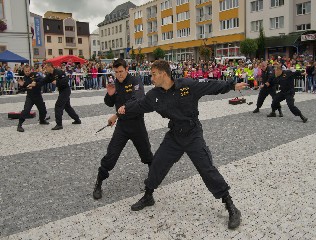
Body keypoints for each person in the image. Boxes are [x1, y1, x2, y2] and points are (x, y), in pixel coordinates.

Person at [118, 60, 247, 229]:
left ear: (164, 74)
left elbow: (210, 85)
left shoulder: (187, 85)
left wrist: (231, 85)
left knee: (206, 168)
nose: (151, 78)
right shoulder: (154, 95)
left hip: (192, 133)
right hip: (174, 135)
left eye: (153, 74)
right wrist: (123, 110)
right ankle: (148, 195)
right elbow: (140, 104)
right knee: (158, 163)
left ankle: (230, 206)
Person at [93, 59, 153, 200]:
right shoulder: (116, 83)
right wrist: (110, 94)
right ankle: (98, 182)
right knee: (110, 156)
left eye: (121, 71)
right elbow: (109, 103)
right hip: (122, 126)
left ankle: (154, 177)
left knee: (146, 155)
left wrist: (117, 114)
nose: (119, 75)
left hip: (137, 124)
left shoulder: (135, 80)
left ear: (127, 69)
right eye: (116, 72)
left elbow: (137, 99)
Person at [27, 62, 81, 130]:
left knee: (58, 106)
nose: (45, 69)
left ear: (50, 67)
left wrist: (57, 82)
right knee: (67, 107)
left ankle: (59, 125)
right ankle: (77, 120)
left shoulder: (59, 71)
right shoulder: (49, 75)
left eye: (46, 67)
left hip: (66, 90)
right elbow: (42, 81)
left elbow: (66, 80)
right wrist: (34, 85)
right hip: (61, 91)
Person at [16, 66, 49, 132]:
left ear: (30, 70)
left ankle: (42, 120)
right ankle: (19, 125)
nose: (27, 72)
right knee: (26, 110)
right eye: (26, 71)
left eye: (28, 71)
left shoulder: (35, 74)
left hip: (38, 96)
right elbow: (25, 88)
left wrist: (35, 82)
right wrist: (22, 85)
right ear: (24, 71)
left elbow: (42, 79)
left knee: (43, 110)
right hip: (30, 97)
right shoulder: (24, 78)